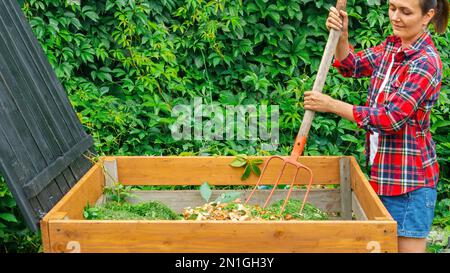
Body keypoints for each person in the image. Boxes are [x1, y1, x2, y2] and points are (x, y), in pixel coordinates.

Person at [303, 0, 449, 253]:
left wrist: (331, 104)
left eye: (406, 11)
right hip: (383, 174)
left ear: (428, 16)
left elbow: (390, 119)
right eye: (392, 8)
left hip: (409, 183)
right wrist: (342, 34)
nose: (395, 17)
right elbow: (352, 65)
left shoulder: (425, 62)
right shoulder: (392, 47)